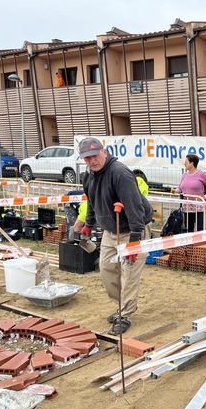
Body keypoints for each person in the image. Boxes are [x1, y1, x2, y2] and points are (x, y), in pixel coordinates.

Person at [78, 137, 153, 335]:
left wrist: (136, 239)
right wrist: (88, 224)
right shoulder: (89, 175)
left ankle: (126, 315)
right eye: (87, 158)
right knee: (106, 269)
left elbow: (135, 207)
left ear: (104, 152)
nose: (92, 161)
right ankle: (120, 306)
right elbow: (92, 201)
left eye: (94, 156)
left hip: (132, 229)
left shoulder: (120, 174)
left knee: (128, 275)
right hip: (111, 231)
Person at [174, 154, 206, 232]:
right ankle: (190, 243)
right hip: (187, 207)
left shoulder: (202, 174)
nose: (184, 164)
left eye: (186, 162)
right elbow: (180, 188)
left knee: (200, 229)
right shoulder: (184, 175)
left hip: (198, 207)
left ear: (192, 164)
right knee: (188, 229)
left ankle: (200, 243)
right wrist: (175, 191)